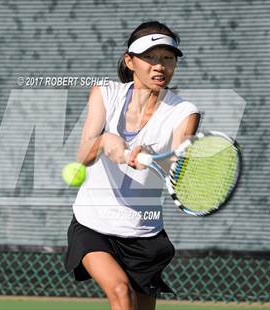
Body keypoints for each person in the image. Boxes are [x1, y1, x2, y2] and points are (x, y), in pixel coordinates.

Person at [64, 20, 200, 310]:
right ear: (130, 61)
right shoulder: (105, 93)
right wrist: (105, 141)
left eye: (167, 58)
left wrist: (152, 156)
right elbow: (83, 155)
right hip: (93, 224)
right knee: (120, 291)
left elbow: (178, 162)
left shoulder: (185, 112)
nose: (159, 66)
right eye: (150, 57)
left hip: (144, 233)